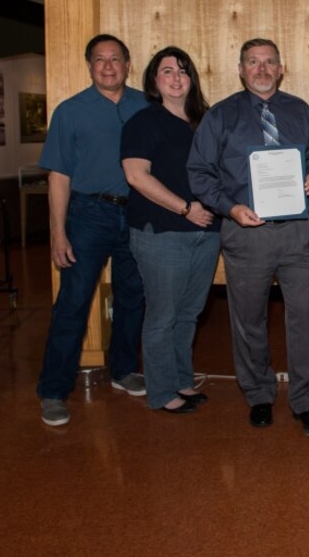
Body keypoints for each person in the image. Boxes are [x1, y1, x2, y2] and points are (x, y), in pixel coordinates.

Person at [188, 38, 309, 432]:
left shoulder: (299, 110)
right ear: (241, 69)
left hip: (298, 232)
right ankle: (259, 394)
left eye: (269, 62)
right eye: (253, 62)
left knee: (303, 317)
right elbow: (199, 172)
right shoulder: (221, 115)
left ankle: (304, 397)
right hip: (246, 232)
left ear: (281, 69)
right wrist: (230, 208)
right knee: (249, 318)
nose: (262, 69)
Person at [37, 34, 149, 427]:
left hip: (137, 213)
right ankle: (53, 390)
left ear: (127, 64)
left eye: (115, 59)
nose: (107, 66)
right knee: (73, 302)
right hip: (88, 215)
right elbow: (58, 176)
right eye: (99, 59)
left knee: (133, 297)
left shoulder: (146, 106)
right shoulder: (70, 112)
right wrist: (58, 233)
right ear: (89, 66)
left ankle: (124, 370)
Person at [121, 47, 220, 415]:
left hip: (207, 231)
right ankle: (161, 392)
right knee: (162, 315)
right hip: (162, 232)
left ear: (191, 78)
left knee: (189, 312)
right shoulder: (143, 122)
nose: (176, 78)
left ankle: (181, 379)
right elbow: (136, 176)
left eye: (182, 71)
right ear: (154, 80)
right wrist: (185, 209)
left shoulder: (206, 122)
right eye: (167, 71)